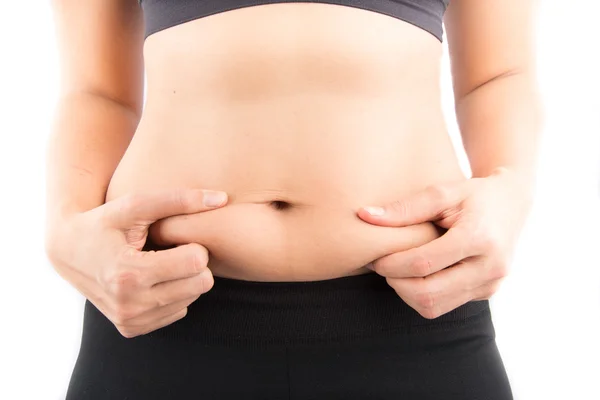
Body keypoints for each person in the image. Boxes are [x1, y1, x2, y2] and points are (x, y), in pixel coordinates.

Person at [45, 0, 540, 399]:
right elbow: (97, 90)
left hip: (420, 309)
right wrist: (66, 226)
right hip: (158, 315)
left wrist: (509, 190)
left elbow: (498, 74)